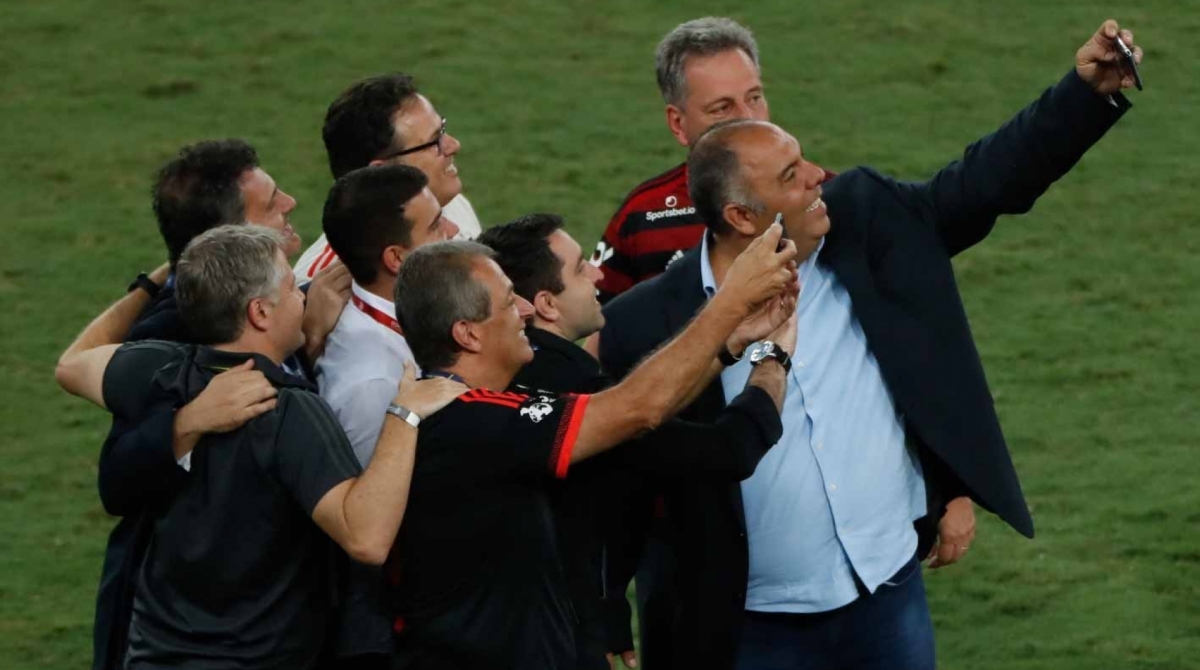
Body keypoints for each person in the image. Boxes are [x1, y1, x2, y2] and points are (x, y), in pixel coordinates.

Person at [598, 19, 1142, 670]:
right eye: (794, 176)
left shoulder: (862, 218)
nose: (817, 180)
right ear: (741, 216)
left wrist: (1081, 97)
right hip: (744, 629)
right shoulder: (647, 321)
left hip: (886, 598)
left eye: (756, 98)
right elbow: (619, 473)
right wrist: (604, 604)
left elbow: (981, 183)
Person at [55, 225, 466, 669]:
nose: (303, 297)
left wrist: (150, 284)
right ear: (260, 313)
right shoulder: (287, 411)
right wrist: (404, 413)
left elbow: (73, 364)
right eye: (292, 287)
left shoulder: (157, 370)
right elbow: (365, 537)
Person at [387, 230, 796, 669]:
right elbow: (638, 408)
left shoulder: (478, 409)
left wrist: (728, 343)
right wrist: (738, 312)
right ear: (467, 334)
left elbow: (637, 413)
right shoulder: (473, 420)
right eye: (509, 302)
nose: (524, 310)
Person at [591, 17, 835, 303]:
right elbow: (595, 325)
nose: (749, 119)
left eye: (754, 98)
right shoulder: (643, 218)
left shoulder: (827, 195)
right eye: (722, 108)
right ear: (678, 124)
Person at [135, 138, 351, 363]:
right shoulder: (168, 340)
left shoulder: (275, 288)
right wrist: (310, 337)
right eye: (270, 205)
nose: (290, 203)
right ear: (227, 239)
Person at [294, 73, 482, 282]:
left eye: (443, 129)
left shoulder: (452, 203)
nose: (454, 145)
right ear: (380, 174)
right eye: (433, 142)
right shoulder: (321, 287)